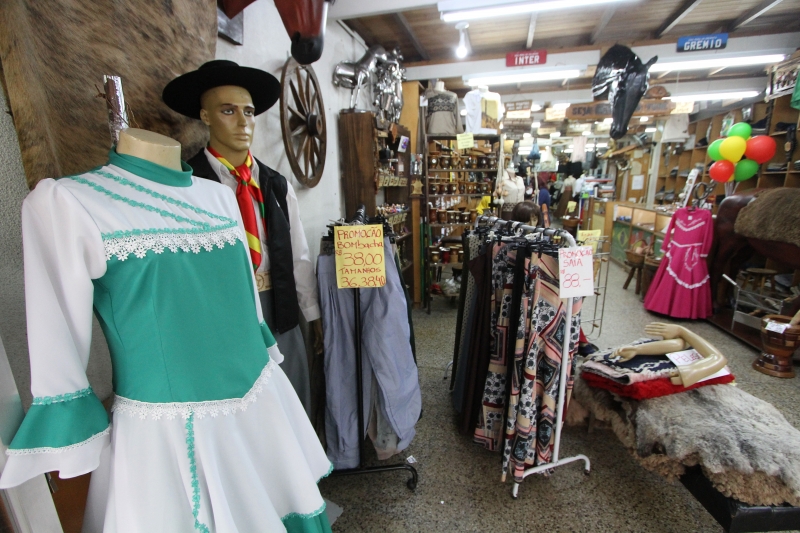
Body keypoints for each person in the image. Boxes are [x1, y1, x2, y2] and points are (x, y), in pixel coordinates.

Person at [163, 60, 321, 416]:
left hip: (277, 305)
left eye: (248, 112)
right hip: (222, 313)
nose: (243, 122)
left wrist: (311, 315)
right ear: (205, 116)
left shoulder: (276, 184)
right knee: (240, 407)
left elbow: (299, 254)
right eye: (228, 111)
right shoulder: (187, 184)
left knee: (291, 401)